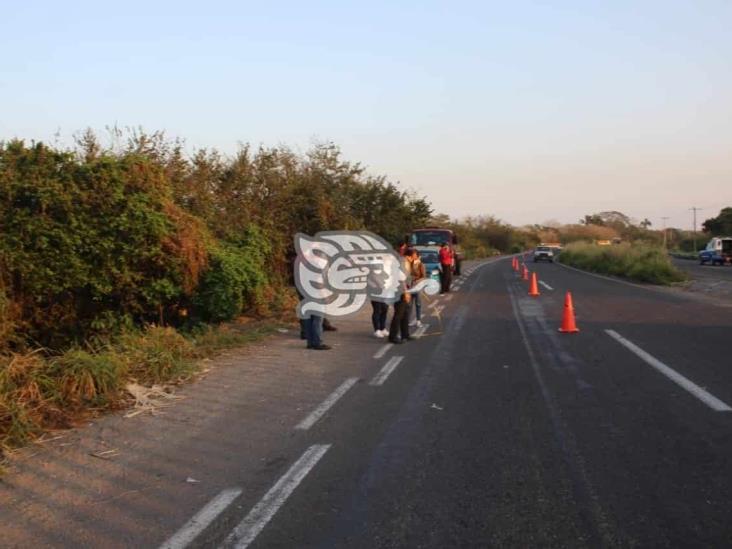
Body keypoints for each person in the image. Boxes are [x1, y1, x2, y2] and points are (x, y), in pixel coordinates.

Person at [389, 250, 413, 344]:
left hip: (404, 289)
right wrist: (406, 292)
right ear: (410, 256)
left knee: (405, 313)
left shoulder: (404, 261)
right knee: (399, 314)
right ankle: (393, 336)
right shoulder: (402, 262)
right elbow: (401, 278)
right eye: (414, 257)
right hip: (400, 291)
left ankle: (405, 334)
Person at [407, 248, 425, 327]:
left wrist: (416, 280)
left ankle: (418, 320)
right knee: (409, 305)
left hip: (418, 286)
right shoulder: (409, 263)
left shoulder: (421, 264)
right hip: (410, 287)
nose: (413, 256)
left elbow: (423, 276)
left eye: (414, 255)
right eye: (412, 255)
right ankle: (408, 321)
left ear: (417, 256)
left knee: (418, 304)